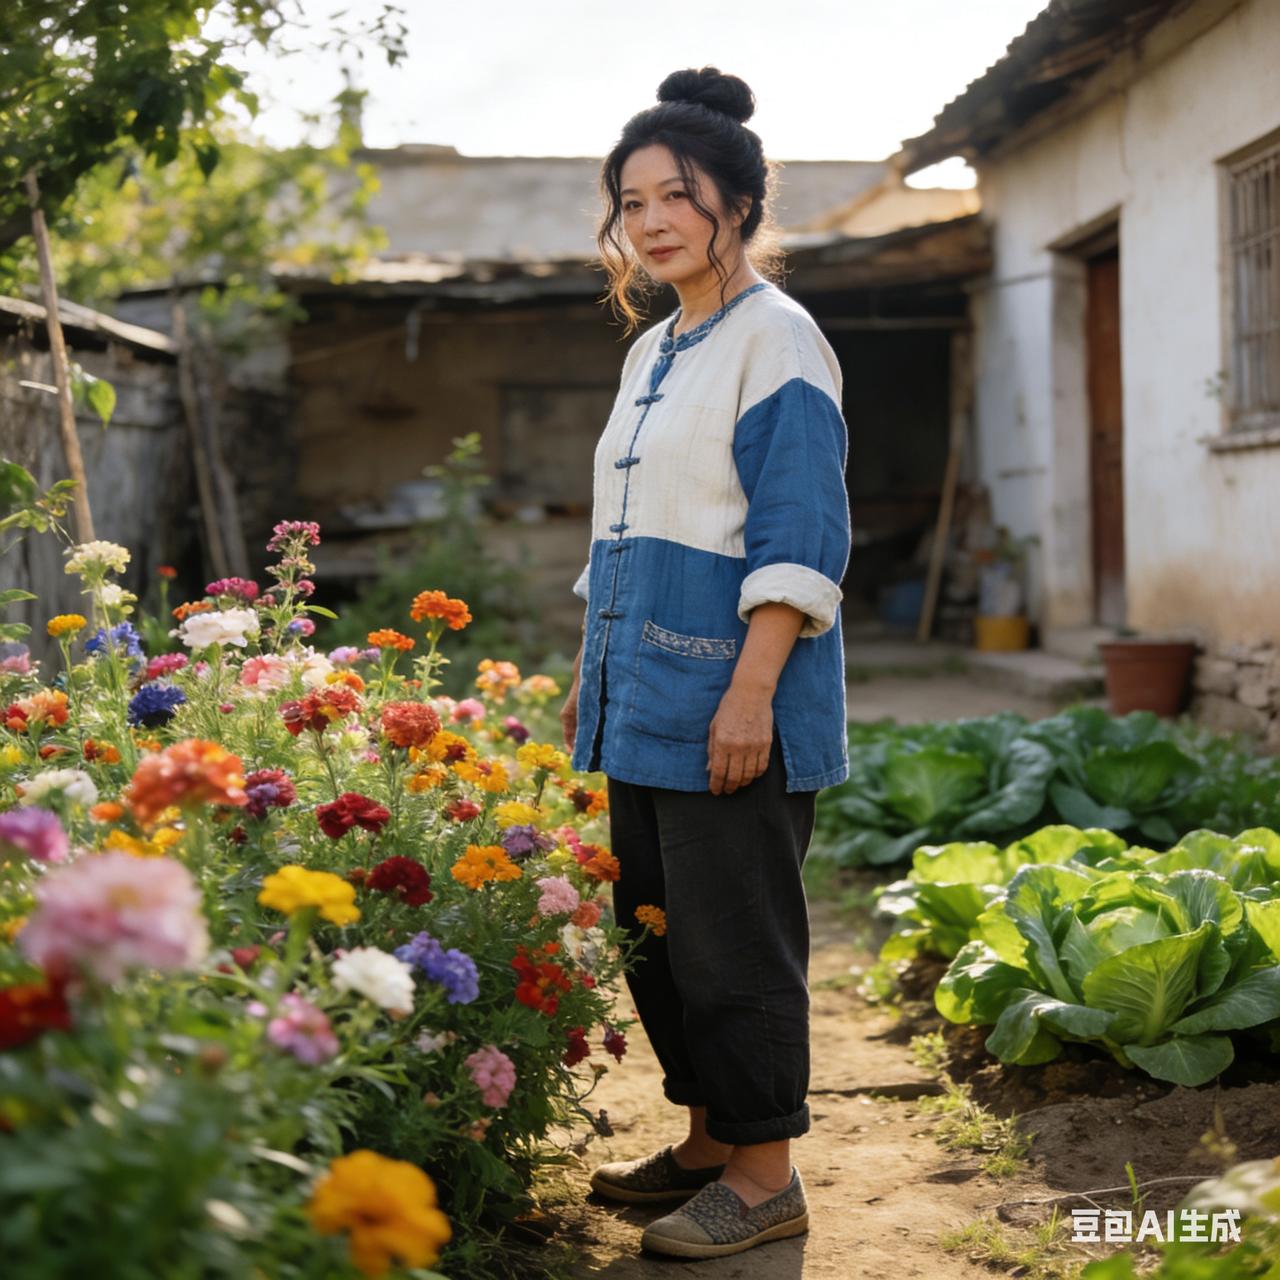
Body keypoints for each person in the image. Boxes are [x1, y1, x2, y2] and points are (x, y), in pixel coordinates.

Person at [558, 65, 852, 1261]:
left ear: (737, 201)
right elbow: (621, 525)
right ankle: (702, 1141)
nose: (650, 221)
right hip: (644, 686)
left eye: (674, 195)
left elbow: (798, 535)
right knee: (658, 922)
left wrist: (749, 690)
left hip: (736, 693)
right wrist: (596, 659)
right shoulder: (654, 349)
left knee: (735, 940)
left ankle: (764, 1172)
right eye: (630, 202)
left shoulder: (776, 340)